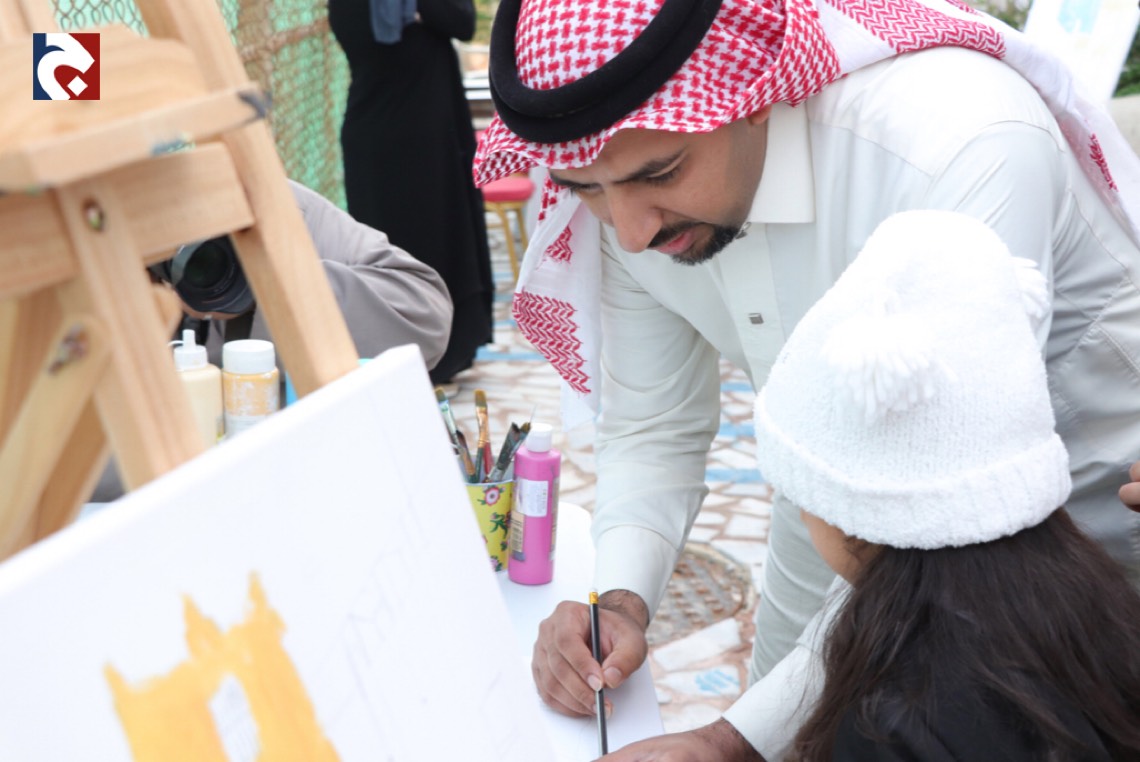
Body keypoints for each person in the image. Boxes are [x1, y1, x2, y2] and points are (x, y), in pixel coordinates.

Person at [471, 0, 1140, 758]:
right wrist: (618, 604)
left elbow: (932, 519)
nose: (630, 232)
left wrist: (731, 737)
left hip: (1093, 530)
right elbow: (655, 427)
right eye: (585, 190)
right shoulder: (628, 196)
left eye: (661, 172)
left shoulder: (956, 137)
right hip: (832, 524)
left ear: (756, 93)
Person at [754, 210, 1140, 760]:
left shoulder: (894, 723)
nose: (800, 515)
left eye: (802, 496)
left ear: (853, 515)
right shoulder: (1099, 614)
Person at [89, 179, 453, 502]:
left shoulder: (254, 200)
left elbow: (424, 319)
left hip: (303, 480)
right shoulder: (73, 250)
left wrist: (269, 286)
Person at [329, 0, 494, 389]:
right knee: (393, 256)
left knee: (442, 240)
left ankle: (447, 353)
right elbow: (368, 39)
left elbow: (463, 21)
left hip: (431, 139)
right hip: (385, 142)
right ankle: (409, 361)